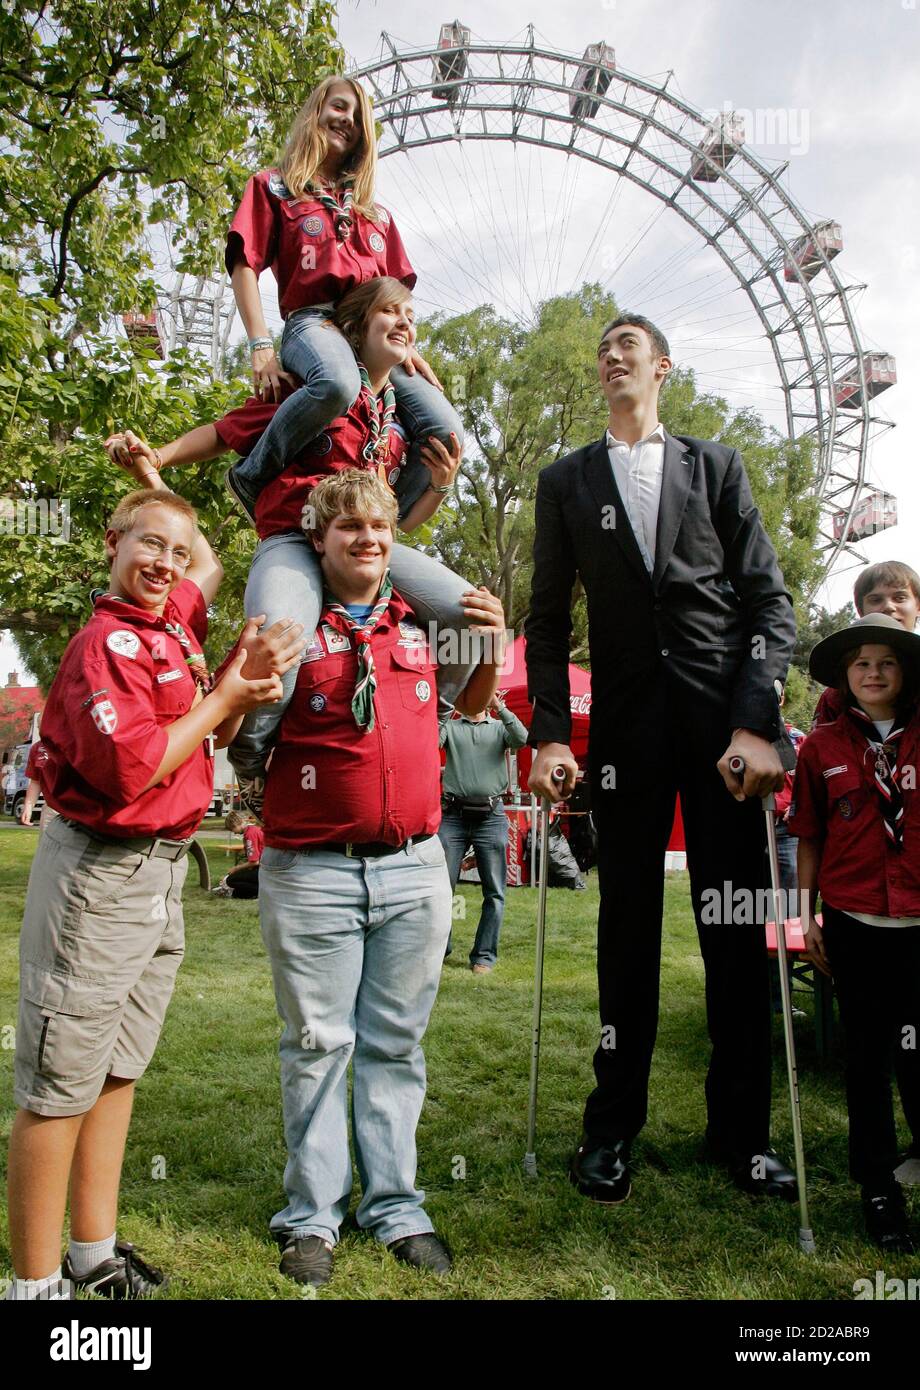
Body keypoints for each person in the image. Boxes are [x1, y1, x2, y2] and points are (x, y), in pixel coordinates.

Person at [4, 471, 301, 1301]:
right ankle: (32, 1290)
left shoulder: (171, 626)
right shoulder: (109, 642)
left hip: (158, 876)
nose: (170, 562)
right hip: (99, 875)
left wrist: (239, 685)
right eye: (148, 543)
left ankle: (92, 1255)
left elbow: (215, 716)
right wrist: (227, 697)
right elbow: (137, 767)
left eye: (179, 550)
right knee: (59, 1087)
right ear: (112, 545)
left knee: (114, 1071)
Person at [526, 313, 798, 1206]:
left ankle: (745, 1134)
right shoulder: (564, 480)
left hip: (725, 741)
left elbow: (769, 601)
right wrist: (554, 733)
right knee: (624, 936)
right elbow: (547, 623)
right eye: (603, 349)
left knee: (735, 933)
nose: (612, 357)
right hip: (627, 743)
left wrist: (758, 725)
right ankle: (610, 1130)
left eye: (628, 346)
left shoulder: (715, 466)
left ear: (662, 367)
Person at [255, 469, 506, 1288]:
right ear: (318, 543)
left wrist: (491, 646)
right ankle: (312, 1217)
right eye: (349, 528)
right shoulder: (290, 631)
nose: (367, 538)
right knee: (320, 1043)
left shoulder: (418, 626)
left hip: (414, 871)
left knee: (396, 1045)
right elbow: (246, 730)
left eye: (380, 527)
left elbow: (471, 705)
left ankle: (397, 1206)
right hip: (313, 872)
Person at [105, 277, 479, 794]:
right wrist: (159, 456)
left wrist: (440, 482)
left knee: (470, 617)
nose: (405, 324)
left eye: (411, 316)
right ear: (355, 328)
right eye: (391, 312)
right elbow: (225, 430)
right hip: (294, 537)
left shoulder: (402, 426)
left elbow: (407, 522)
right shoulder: (311, 392)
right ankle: (254, 770)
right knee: (280, 643)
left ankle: (423, 723)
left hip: (365, 548)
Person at [223, 75, 462, 520]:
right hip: (315, 323)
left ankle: (383, 517)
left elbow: (396, 297)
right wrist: (261, 346)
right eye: (338, 107)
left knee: (446, 431)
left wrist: (408, 347)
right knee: (337, 383)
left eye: (357, 116)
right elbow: (245, 264)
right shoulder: (273, 187)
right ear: (316, 113)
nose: (347, 120)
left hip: (372, 333)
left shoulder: (376, 214)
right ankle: (253, 472)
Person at [790, 614, 920, 1252]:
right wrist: (805, 912)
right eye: (862, 663)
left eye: (887, 663)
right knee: (865, 1060)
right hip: (854, 922)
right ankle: (877, 1185)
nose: (874, 673)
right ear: (845, 675)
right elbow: (810, 833)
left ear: (905, 674)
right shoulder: (822, 748)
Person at [438, 695, 528, 973]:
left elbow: (522, 738)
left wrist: (500, 707)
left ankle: (483, 956)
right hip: (453, 815)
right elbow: (431, 742)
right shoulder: (452, 726)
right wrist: (450, 704)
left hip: (491, 816)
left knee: (494, 891)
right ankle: (441, 949)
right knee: (440, 889)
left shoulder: (499, 727)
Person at [813, 561, 920, 728]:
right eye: (875, 600)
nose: (888, 607)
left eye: (899, 598)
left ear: (918, 606)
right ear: (861, 610)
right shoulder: (837, 696)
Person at [212, 809, 264, 898]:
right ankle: (237, 893)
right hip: (262, 868)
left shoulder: (250, 834)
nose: (234, 832)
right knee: (237, 888)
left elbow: (254, 861)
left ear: (236, 823)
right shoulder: (253, 830)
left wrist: (237, 868)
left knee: (231, 880)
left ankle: (260, 891)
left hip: (263, 869)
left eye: (233, 829)